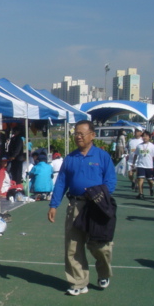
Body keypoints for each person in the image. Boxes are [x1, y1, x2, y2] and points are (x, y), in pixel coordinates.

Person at [48, 121, 116, 296]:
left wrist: (98, 195)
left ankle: (103, 273)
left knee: (100, 246)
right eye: (76, 134)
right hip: (75, 205)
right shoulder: (70, 158)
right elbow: (61, 182)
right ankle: (79, 282)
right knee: (73, 246)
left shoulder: (102, 157)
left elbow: (110, 182)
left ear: (92, 135)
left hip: (97, 206)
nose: (78, 136)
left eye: (82, 133)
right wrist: (54, 204)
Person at [133, 131, 154, 200]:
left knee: (150, 181)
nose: (144, 137)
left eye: (146, 136)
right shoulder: (139, 146)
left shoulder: (152, 146)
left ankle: (151, 188)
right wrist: (134, 164)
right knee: (140, 179)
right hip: (140, 165)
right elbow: (135, 155)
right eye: (143, 136)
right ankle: (141, 193)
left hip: (149, 166)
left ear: (149, 137)